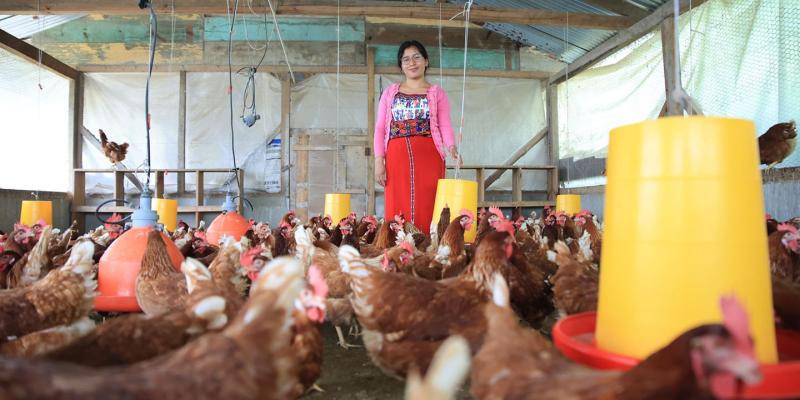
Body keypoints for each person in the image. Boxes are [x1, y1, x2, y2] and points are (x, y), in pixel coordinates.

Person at [373, 40, 460, 233]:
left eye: (416, 57)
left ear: (426, 61)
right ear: (401, 66)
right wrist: (379, 161)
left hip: (429, 155)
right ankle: (397, 249)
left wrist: (451, 146)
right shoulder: (389, 93)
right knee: (397, 200)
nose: (411, 63)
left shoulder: (437, 93)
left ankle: (428, 248)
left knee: (428, 201)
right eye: (406, 60)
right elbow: (379, 128)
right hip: (396, 156)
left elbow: (444, 123)